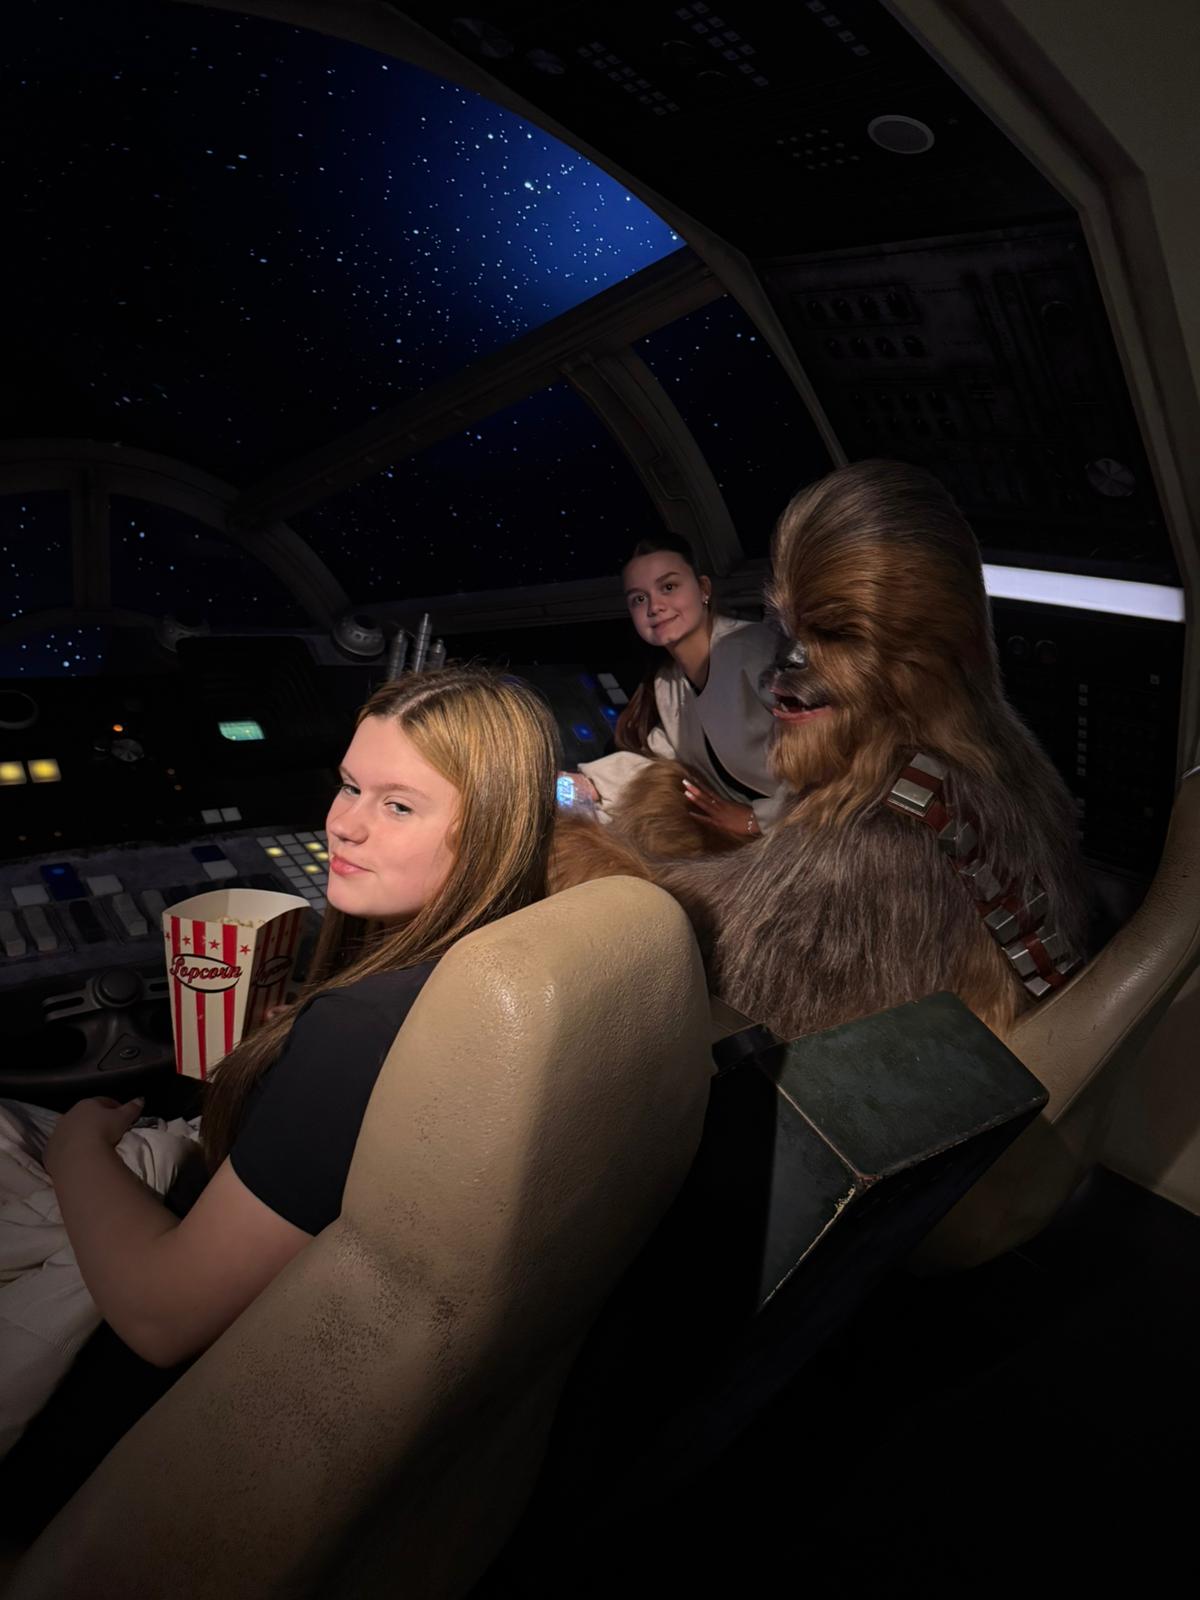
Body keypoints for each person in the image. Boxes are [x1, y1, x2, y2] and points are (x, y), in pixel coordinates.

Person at [1, 666, 559, 1506]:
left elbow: (160, 1318)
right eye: (349, 786)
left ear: (490, 831)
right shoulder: (493, 962)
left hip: (124, 1417)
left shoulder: (359, 1030)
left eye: (398, 806)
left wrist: (80, 1146)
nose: (343, 825)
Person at [576, 534, 788, 845]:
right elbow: (663, 758)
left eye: (668, 587)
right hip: (759, 837)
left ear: (703, 589)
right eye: (639, 599)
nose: (654, 607)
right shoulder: (667, 683)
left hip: (819, 825)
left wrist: (758, 819)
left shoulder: (757, 650)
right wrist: (587, 784)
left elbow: (836, 754)